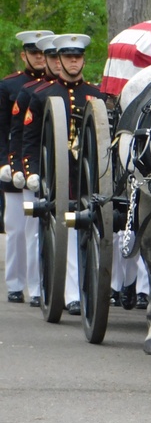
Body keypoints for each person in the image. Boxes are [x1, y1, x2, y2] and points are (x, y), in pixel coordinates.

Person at [21, 34, 105, 315]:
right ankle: (70, 294)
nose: (72, 61)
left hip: (89, 175)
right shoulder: (42, 96)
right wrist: (32, 171)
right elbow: (30, 140)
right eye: (67, 57)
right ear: (59, 59)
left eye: (77, 57)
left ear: (82, 60)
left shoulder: (96, 96)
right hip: (58, 176)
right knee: (66, 229)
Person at [6, 34, 62, 306]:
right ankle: (16, 283)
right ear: (24, 56)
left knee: (42, 230)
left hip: (50, 167)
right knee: (17, 229)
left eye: (45, 54)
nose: (40, 58)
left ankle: (41, 284)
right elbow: (7, 131)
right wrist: (7, 163)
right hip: (18, 167)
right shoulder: (11, 86)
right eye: (35, 53)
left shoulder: (53, 87)